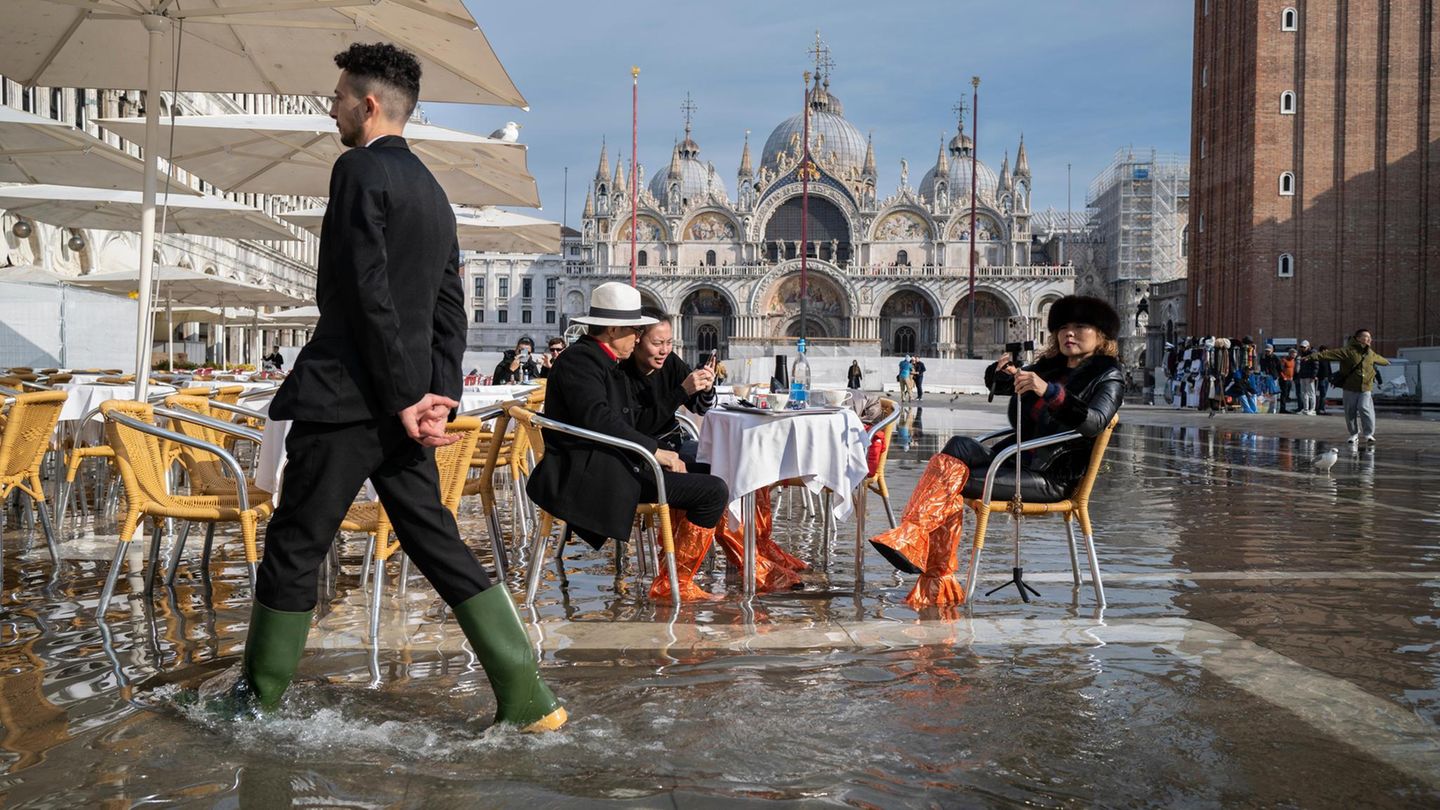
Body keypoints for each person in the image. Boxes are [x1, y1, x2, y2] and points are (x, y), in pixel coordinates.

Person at [236, 44, 564, 731]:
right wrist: (435, 394)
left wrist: (400, 395)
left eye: (338, 98)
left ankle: (255, 703)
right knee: (434, 539)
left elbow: (362, 293)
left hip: (349, 399)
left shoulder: (356, 169)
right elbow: (451, 306)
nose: (332, 108)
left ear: (369, 104)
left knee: (297, 542)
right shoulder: (433, 194)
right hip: (406, 406)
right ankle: (529, 699)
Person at [869, 295, 1123, 607]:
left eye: (1081, 327)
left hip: (1051, 475)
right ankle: (914, 540)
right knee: (957, 447)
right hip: (1017, 459)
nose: (1069, 333)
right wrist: (1002, 373)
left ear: (1101, 335)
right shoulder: (1049, 367)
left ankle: (924, 558)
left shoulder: (1107, 375)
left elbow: (1094, 422)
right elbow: (1006, 386)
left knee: (951, 483)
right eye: (1063, 328)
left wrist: (1049, 391)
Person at [526, 283, 730, 587]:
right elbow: (598, 419)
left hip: (617, 463)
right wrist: (656, 452)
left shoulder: (606, 361)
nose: (637, 338)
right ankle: (676, 584)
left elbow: (627, 421)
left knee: (718, 475)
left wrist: (658, 450)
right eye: (635, 331)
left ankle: (684, 574)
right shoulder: (581, 362)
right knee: (713, 491)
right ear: (612, 331)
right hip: (594, 475)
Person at [1313, 329, 1389, 445]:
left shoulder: (1369, 352)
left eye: (1370, 337)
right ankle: (1354, 434)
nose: (1370, 339)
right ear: (1358, 338)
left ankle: (1368, 434)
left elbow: (1378, 358)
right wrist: (1312, 357)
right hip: (1349, 387)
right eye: (1366, 337)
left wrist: (1386, 362)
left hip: (1366, 387)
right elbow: (1329, 354)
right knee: (1350, 411)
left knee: (1364, 408)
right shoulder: (1348, 351)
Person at [1296, 340, 1319, 415]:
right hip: (1303, 375)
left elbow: (1316, 365)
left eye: (1304, 347)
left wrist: (1313, 376)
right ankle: (1305, 409)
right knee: (1303, 393)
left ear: (1308, 347)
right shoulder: (1302, 354)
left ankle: (1313, 409)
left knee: (1311, 393)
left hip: (1309, 376)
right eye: (1301, 347)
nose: (1302, 348)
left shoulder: (1312, 353)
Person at [1277, 347, 1297, 414]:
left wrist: (1292, 377)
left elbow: (1293, 369)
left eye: (1295, 355)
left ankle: (1284, 408)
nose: (1294, 356)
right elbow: (1280, 370)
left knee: (1287, 395)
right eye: (1293, 355)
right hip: (1284, 380)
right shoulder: (1284, 360)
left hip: (1290, 379)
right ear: (1290, 354)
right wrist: (1284, 377)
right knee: (1284, 394)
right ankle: (1282, 409)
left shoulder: (1293, 360)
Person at [1314, 346, 1333, 414]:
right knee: (1322, 394)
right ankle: (1320, 409)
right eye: (1326, 350)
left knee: (1323, 394)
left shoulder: (1327, 358)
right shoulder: (1319, 358)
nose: (1327, 352)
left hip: (1326, 379)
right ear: (1323, 350)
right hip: (1321, 379)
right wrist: (1316, 376)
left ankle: (1321, 408)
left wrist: (1330, 378)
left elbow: (1329, 368)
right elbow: (1317, 369)